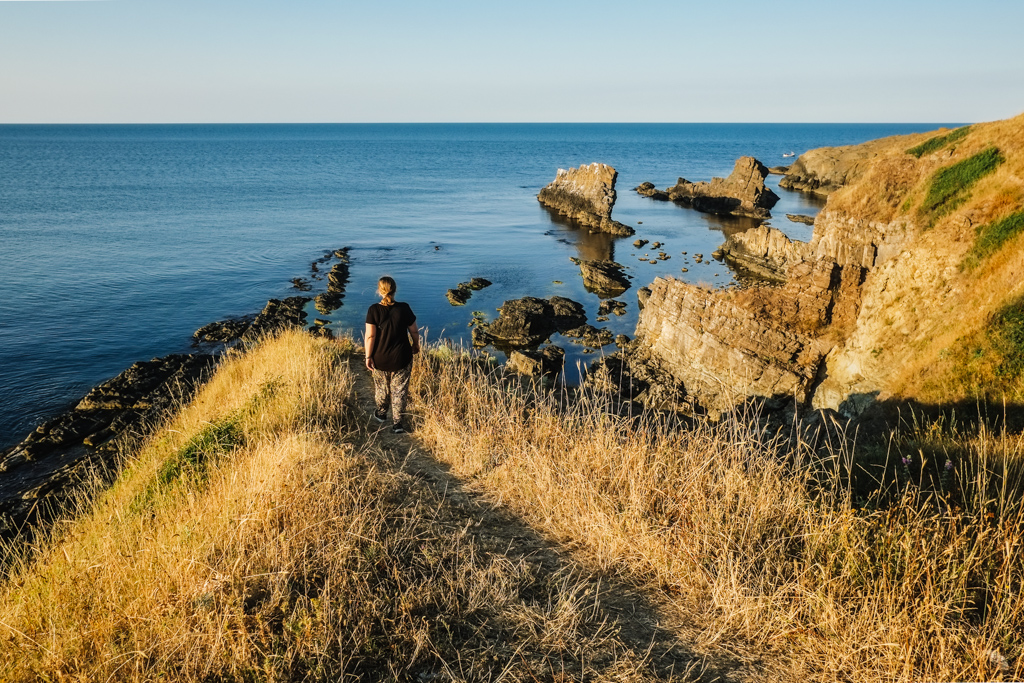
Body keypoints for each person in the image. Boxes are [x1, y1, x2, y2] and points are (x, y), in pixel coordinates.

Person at [364, 276, 420, 433]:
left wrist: (368, 356)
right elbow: (414, 331)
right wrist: (416, 345)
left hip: (379, 358)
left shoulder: (373, 310)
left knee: (381, 388)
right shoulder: (404, 308)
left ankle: (381, 414)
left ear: (379, 290)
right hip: (402, 357)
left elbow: (370, 336)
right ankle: (397, 423)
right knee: (399, 390)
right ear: (395, 290)